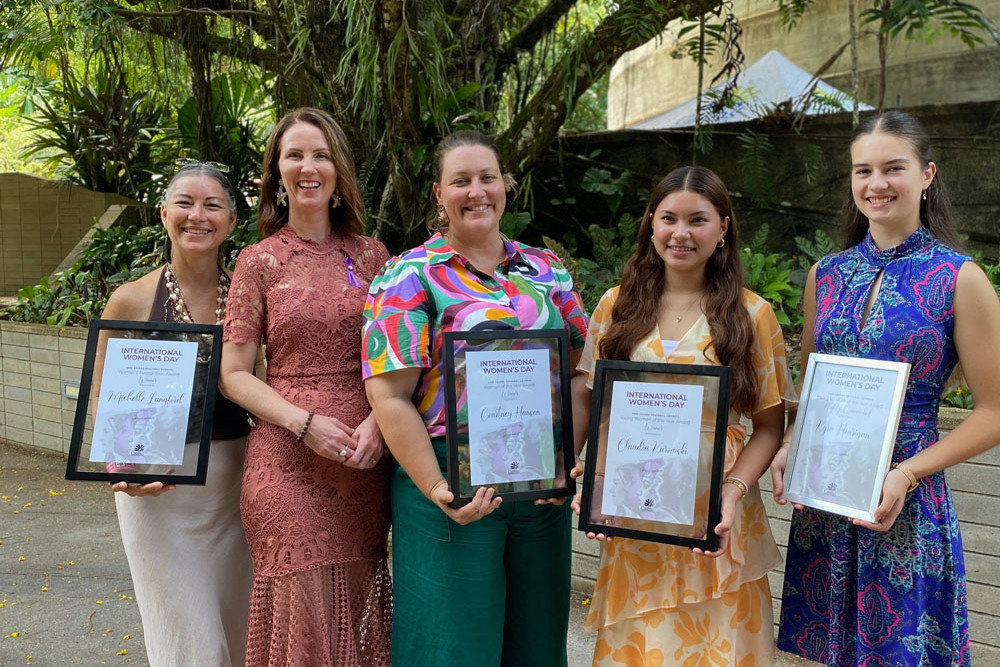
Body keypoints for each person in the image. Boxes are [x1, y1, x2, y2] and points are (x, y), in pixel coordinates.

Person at [771, 111, 1000, 666]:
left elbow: (994, 411)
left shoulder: (959, 278)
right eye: (863, 171)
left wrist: (907, 472)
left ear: (927, 174)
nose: (877, 184)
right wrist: (790, 444)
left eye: (893, 168)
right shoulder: (825, 274)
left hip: (906, 503)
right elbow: (814, 388)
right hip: (825, 502)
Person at [362, 130, 589, 667]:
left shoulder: (546, 269)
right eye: (460, 181)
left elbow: (577, 376)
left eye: (487, 177)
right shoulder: (408, 275)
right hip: (447, 480)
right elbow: (388, 396)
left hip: (538, 484)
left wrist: (563, 463)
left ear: (505, 185)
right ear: (439, 195)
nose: (476, 191)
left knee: (537, 642)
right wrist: (440, 488)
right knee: (452, 646)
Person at [572, 166, 795, 666]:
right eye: (668, 218)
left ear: (723, 229)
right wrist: (592, 478)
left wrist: (732, 493)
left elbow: (767, 427)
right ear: (651, 224)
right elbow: (596, 405)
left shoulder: (752, 314)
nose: (681, 233)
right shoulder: (615, 307)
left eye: (698, 219)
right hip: (637, 518)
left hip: (717, 524)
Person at [219, 107, 391, 666]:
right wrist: (303, 423)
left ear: (338, 170)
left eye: (320, 154)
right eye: (294, 155)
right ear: (277, 173)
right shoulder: (258, 262)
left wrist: (379, 423)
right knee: (302, 612)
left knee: (359, 618)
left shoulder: (375, 258)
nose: (308, 166)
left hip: (363, 464)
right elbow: (234, 373)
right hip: (286, 464)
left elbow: (399, 362)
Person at [99, 162, 253, 666]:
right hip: (160, 494)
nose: (197, 216)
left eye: (212, 205)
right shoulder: (131, 300)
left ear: (231, 220)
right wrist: (123, 469)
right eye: (185, 203)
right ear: (164, 213)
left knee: (241, 632)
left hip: (238, 491)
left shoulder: (250, 299)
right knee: (192, 645)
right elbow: (107, 402)